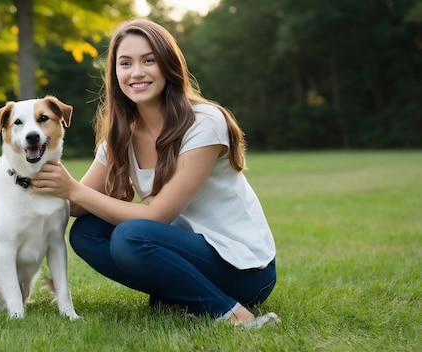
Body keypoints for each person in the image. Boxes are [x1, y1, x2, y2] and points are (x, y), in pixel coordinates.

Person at [31, 18, 279, 328]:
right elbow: (79, 205)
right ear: (115, 73)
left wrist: (73, 189)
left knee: (131, 236)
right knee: (86, 233)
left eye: (149, 60)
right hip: (185, 254)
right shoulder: (122, 133)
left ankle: (230, 313)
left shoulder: (205, 122)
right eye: (125, 63)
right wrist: (31, 180)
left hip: (245, 270)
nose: (136, 72)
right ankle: (181, 296)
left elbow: (156, 217)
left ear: (168, 65)